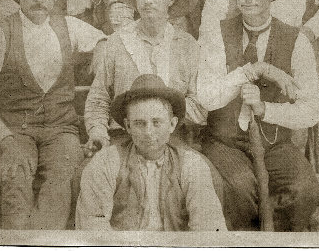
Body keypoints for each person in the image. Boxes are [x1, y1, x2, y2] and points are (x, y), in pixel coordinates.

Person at [0, 0, 106, 229]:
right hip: (14, 130)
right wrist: (5, 141)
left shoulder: (70, 27)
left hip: (60, 131)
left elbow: (107, 43)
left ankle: (44, 248)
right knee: (17, 175)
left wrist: (100, 53)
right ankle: (18, 250)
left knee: (63, 176)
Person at [197, 0, 319, 231]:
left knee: (305, 190)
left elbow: (312, 109)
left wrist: (266, 108)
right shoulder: (216, 34)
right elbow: (206, 96)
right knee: (241, 189)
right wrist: (250, 71)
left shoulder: (296, 41)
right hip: (224, 142)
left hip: (274, 145)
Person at [84, 0, 207, 154]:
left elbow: (199, 104)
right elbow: (99, 98)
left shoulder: (187, 45)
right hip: (125, 138)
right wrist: (98, 131)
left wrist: (162, 121)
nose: (148, 0)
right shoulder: (117, 42)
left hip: (173, 140)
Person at [76, 74, 227, 231]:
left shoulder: (192, 165)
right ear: (128, 126)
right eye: (140, 123)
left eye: (157, 122)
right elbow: (93, 230)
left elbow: (209, 231)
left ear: (172, 124)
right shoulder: (106, 163)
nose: (148, 132)